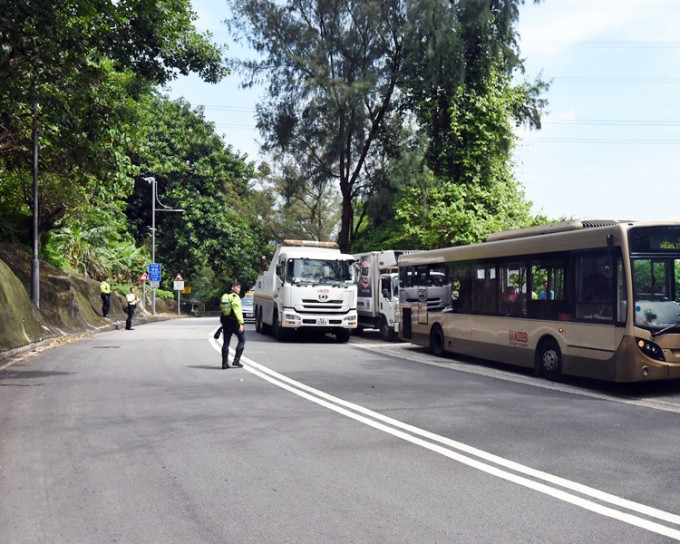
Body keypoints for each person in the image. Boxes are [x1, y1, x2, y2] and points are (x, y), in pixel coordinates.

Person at [219, 280, 246, 369]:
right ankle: (236, 360)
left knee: (226, 343)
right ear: (232, 288)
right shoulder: (235, 297)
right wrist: (241, 323)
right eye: (237, 287)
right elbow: (238, 311)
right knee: (242, 340)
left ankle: (224, 363)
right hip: (235, 323)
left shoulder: (224, 296)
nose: (239, 289)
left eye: (239, 287)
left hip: (226, 323)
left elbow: (222, 310)